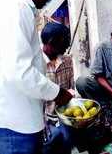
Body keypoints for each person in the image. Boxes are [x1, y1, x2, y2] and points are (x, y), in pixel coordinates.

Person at [0, 0, 74, 154]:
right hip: (12, 125)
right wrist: (58, 93)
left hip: (5, 118)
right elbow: (19, 71)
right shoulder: (17, 7)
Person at [40, 22, 74, 154]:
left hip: (64, 115)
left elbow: (71, 88)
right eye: (64, 42)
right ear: (50, 43)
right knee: (52, 140)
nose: (67, 46)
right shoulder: (37, 65)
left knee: (67, 139)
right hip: (43, 118)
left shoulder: (67, 61)